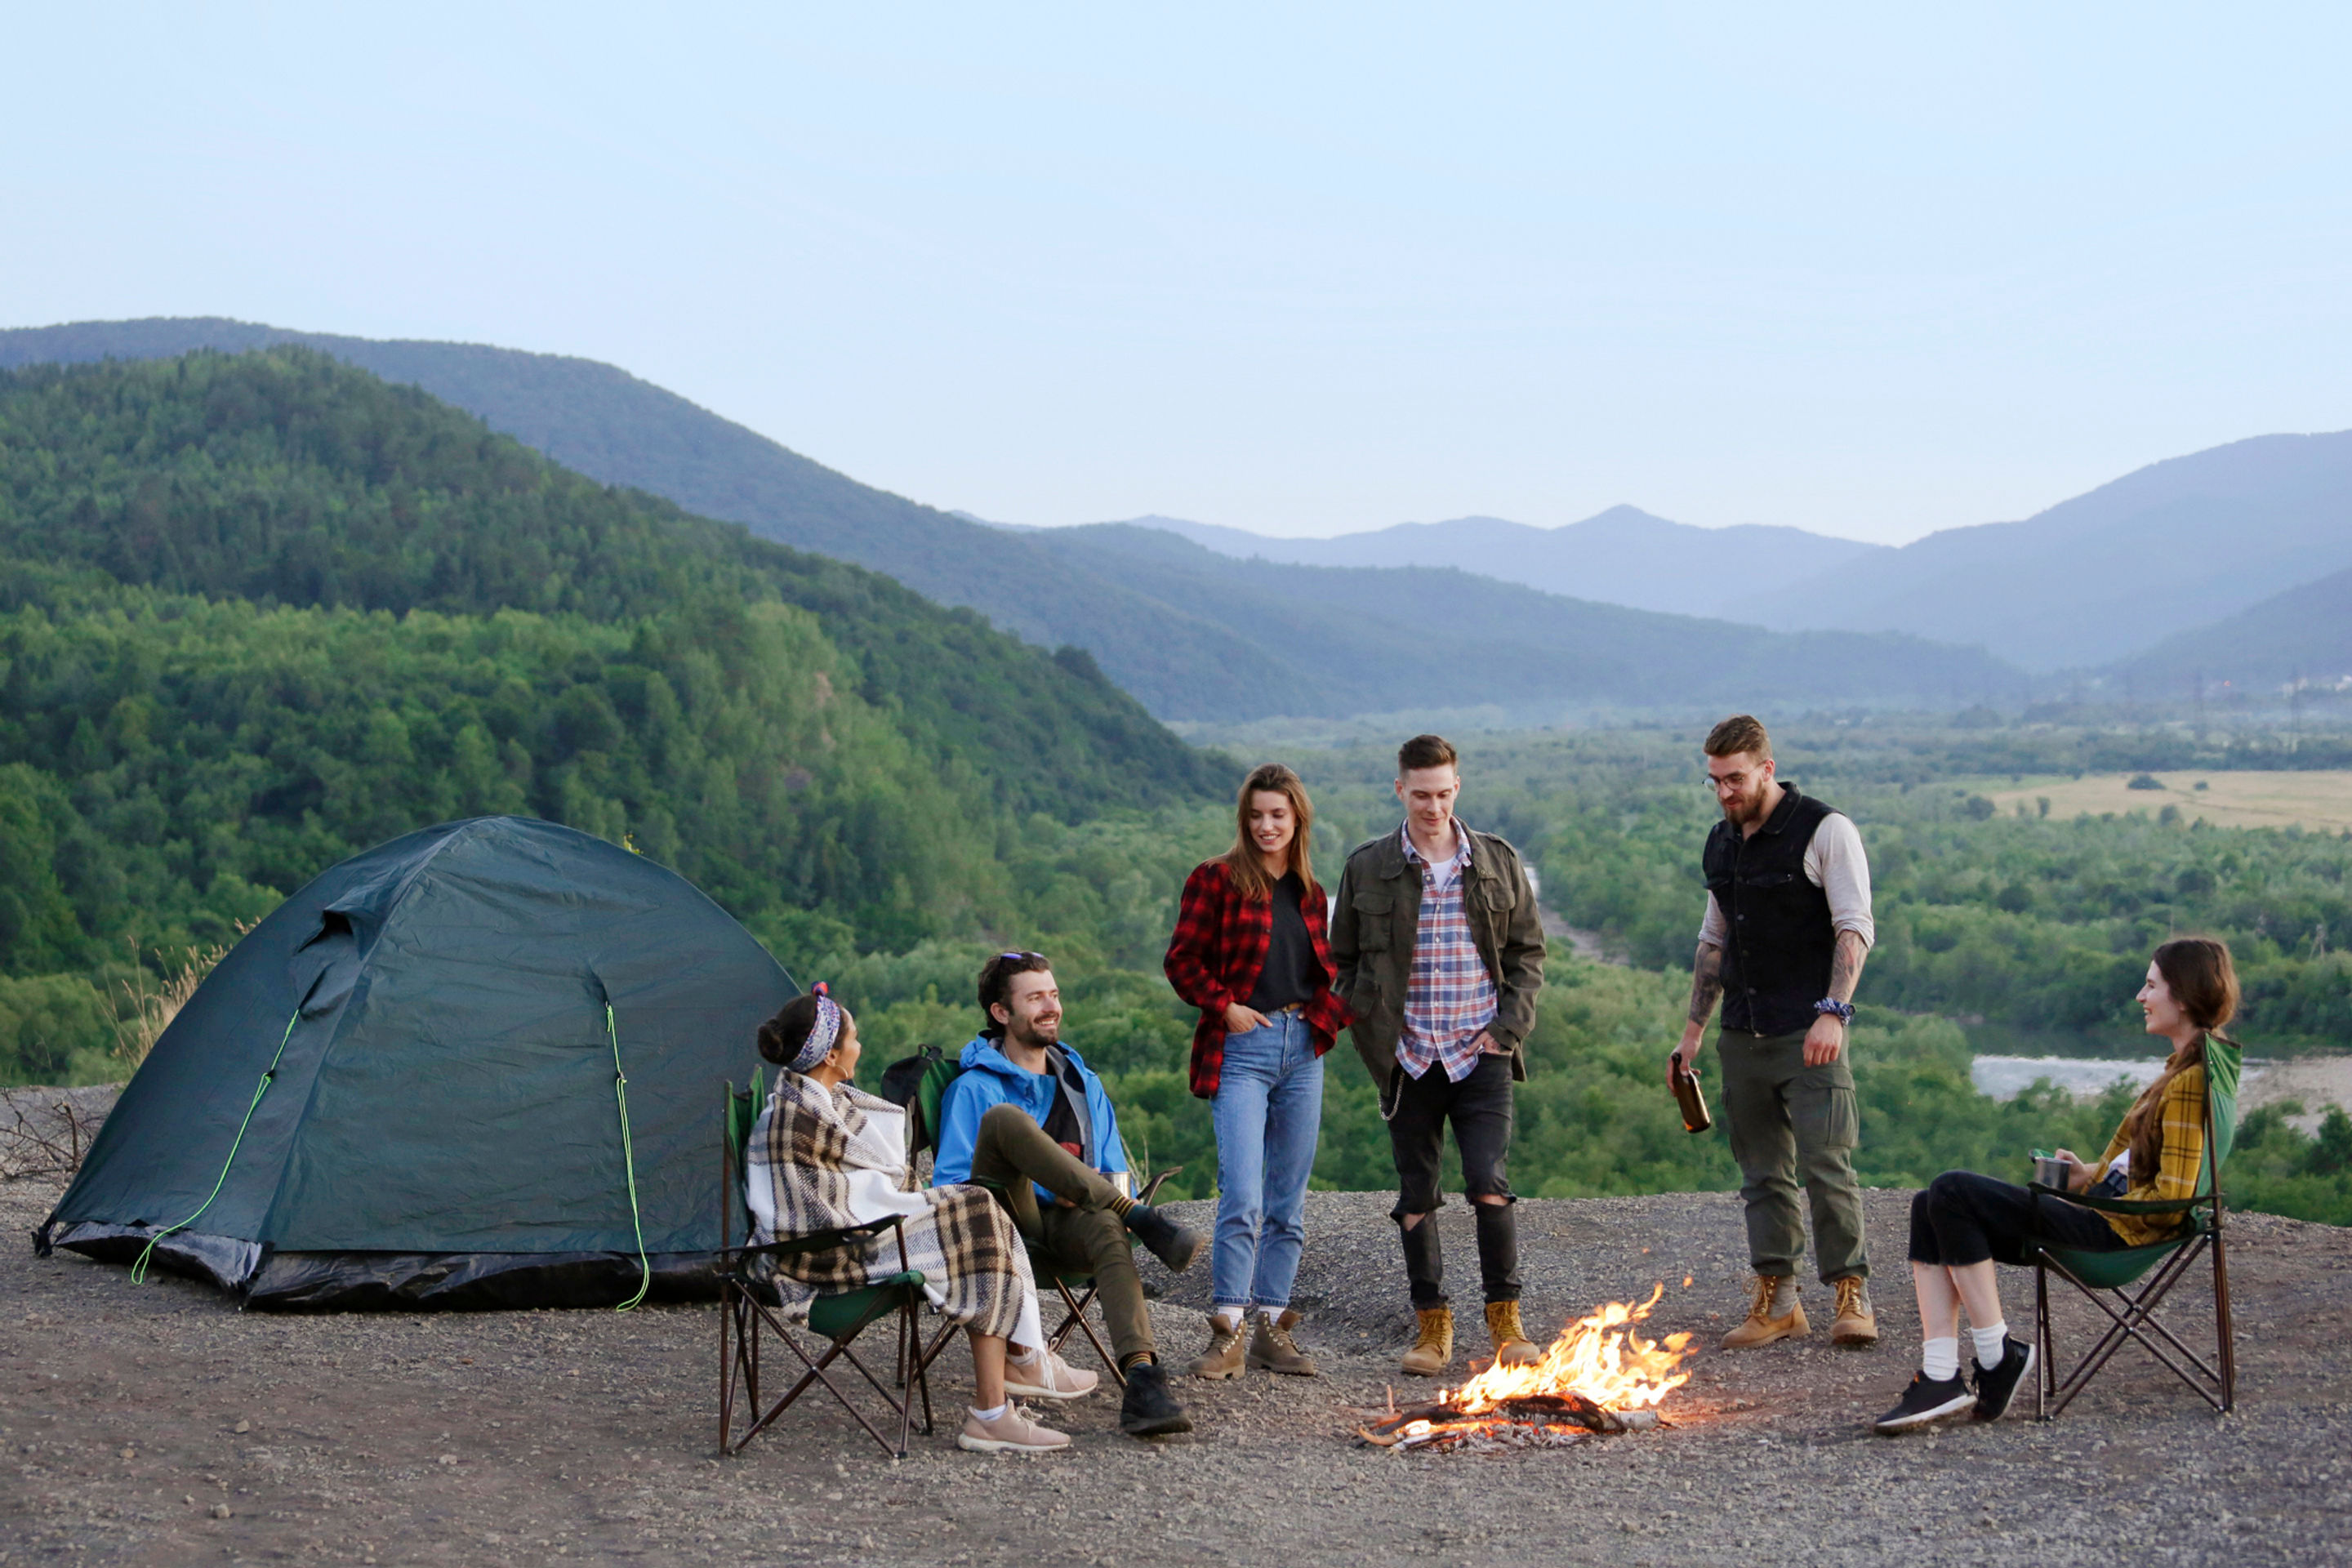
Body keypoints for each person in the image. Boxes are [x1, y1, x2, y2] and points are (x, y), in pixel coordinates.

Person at [1873, 937, 2238, 1432]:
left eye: (2151, 985)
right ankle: (1941, 1374)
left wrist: (2103, 1199)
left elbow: (2172, 1201)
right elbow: (2142, 1171)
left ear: (2185, 997)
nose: (2140, 996)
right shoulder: (2183, 1070)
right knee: (1928, 1205)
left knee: (1952, 1190)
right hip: (2107, 1218)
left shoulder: (2191, 1081)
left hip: (2115, 1237)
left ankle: (1996, 1357)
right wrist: (2089, 1175)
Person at [745, 985, 1093, 1456]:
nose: (860, 1046)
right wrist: (917, 1206)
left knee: (975, 1211)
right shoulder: (794, 1118)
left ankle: (1015, 1372)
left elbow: (859, 1190)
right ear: (831, 1053)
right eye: (855, 1037)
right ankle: (1004, 1391)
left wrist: (917, 1204)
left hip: (848, 1238)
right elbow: (815, 1214)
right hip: (818, 1261)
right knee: (973, 1221)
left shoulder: (822, 1103)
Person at [1330, 733, 1548, 1378]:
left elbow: (1528, 955)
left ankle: (1505, 1323)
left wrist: (1506, 1030)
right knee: (1417, 1194)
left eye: (1444, 793)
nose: (1433, 806)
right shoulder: (1367, 867)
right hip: (1408, 1057)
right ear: (1400, 789)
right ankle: (1432, 1329)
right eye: (1421, 794)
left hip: (1481, 1050)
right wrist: (1372, 1031)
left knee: (1490, 1184)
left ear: (1458, 788)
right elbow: (1341, 962)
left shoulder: (1497, 862)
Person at [1670, 714, 1879, 1350]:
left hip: (1807, 1030)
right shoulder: (1722, 840)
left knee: (1826, 1164)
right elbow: (1715, 939)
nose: (1726, 792)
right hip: (1744, 1032)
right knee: (1762, 1174)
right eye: (1715, 781)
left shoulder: (1825, 829)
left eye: (1736, 778)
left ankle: (1851, 1293)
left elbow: (1855, 928)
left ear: (1766, 767)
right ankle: (1778, 1300)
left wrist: (1832, 1013)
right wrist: (1692, 1031)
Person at [933, 951, 1205, 1438]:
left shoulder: (1084, 1084)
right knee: (1005, 1122)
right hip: (1006, 1229)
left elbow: (1113, 1168)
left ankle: (1143, 1379)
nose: (1050, 1006)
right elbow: (952, 1187)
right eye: (1035, 997)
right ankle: (1142, 1216)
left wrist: (1094, 1195)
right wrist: (1047, 1187)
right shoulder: (973, 1089)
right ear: (1002, 1013)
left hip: (1074, 1223)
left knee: (1106, 1226)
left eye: (1054, 995)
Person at [1165, 763, 1349, 1380]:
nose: (1267, 825)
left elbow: (1329, 971)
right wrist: (1226, 1008)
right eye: (1257, 814)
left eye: (1279, 814)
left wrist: (1326, 1020)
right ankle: (1228, 1334)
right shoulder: (1215, 881)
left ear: (1298, 818)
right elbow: (1182, 961)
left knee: (1288, 1203)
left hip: (1302, 1050)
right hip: (1242, 1048)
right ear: (1244, 819)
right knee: (1241, 1196)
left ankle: (1272, 1327)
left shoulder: (1311, 891)